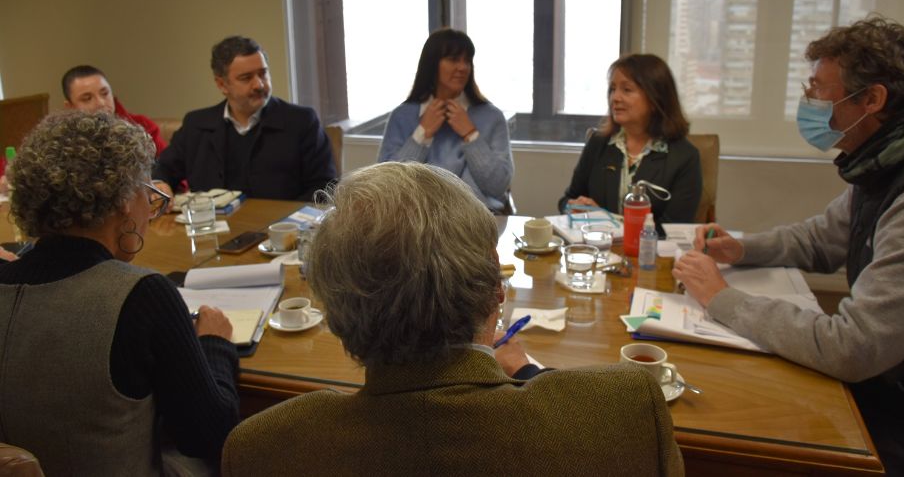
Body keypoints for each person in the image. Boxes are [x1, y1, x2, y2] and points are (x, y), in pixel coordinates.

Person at [221, 162, 683, 477]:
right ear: (495, 290)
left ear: (334, 313)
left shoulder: (264, 447)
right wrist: (530, 372)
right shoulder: (624, 410)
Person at [673, 17, 904, 477]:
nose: (809, 103)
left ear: (872, 99)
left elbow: (853, 346)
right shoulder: (886, 162)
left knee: (739, 434)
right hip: (889, 387)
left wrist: (721, 298)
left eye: (819, 90)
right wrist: (741, 250)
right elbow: (819, 239)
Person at [0, 111, 240, 475]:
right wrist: (215, 344)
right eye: (148, 191)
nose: (150, 207)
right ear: (126, 197)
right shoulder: (142, 296)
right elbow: (211, 436)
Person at [152, 36, 337, 201]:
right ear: (222, 84)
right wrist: (161, 184)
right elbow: (163, 169)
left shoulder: (301, 122)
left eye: (263, 73)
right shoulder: (196, 124)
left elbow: (324, 188)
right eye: (246, 78)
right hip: (212, 226)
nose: (259, 84)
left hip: (282, 226)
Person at [378, 28, 514, 213]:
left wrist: (471, 134)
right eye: (453, 59)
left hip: (479, 218)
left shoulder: (492, 117)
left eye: (467, 60)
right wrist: (422, 134)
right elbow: (387, 184)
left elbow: (498, 186)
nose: (463, 67)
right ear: (432, 64)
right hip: (417, 220)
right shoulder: (402, 116)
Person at [559, 54, 702, 228]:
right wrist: (572, 207)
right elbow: (567, 199)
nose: (615, 98)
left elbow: (673, 229)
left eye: (627, 90)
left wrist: (607, 220)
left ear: (655, 99)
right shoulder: (598, 143)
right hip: (598, 243)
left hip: (652, 246)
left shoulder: (684, 157)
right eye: (613, 89)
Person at [62, 64, 168, 155]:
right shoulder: (62, 141)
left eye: (105, 93)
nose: (101, 103)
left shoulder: (142, 125)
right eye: (87, 98)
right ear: (70, 107)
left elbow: (167, 167)